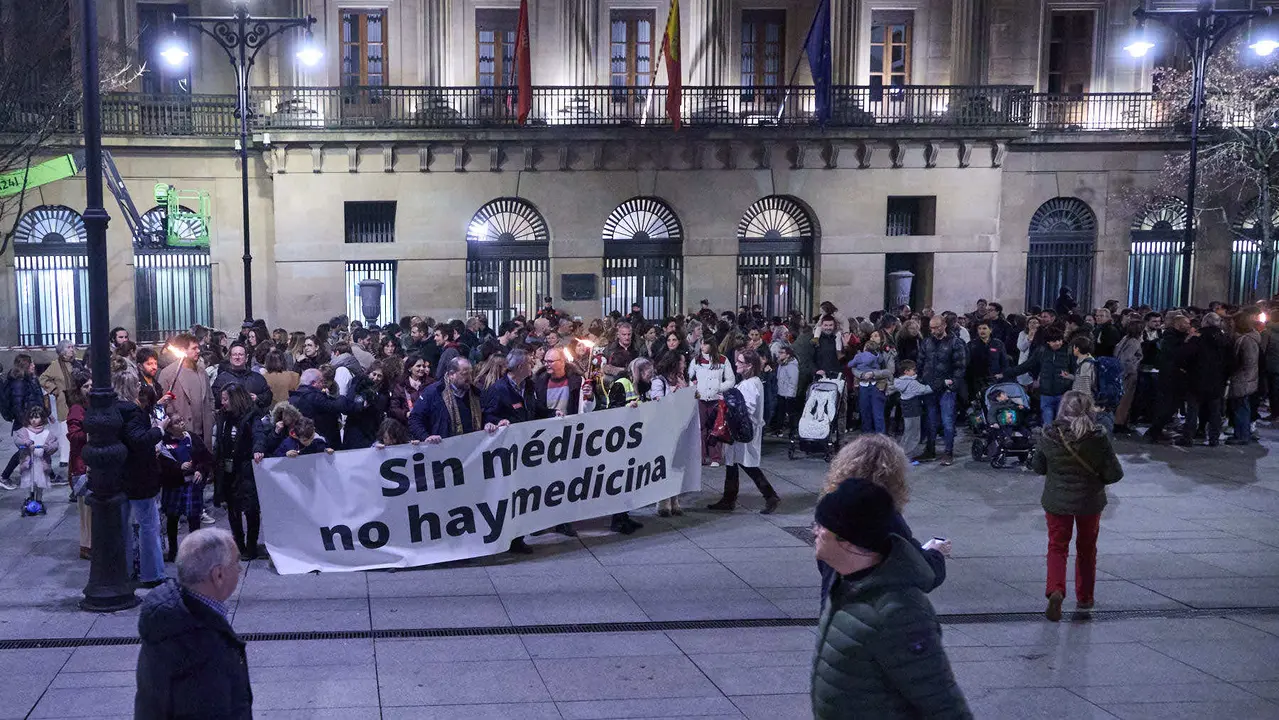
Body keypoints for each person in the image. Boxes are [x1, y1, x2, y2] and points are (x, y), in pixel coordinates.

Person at [810, 480, 972, 719]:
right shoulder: (844, 582)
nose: (814, 531)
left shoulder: (899, 614)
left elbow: (942, 701)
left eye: (821, 526)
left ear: (848, 541)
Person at [135, 528, 252, 720]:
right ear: (218, 575)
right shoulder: (203, 643)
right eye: (236, 562)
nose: (239, 569)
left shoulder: (169, 618)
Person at [817, 434, 949, 603]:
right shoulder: (884, 518)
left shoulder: (831, 512)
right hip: (877, 617)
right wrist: (935, 553)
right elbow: (925, 574)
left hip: (836, 615)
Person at [1031, 391, 1123, 621]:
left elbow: (1038, 467)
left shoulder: (1049, 436)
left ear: (1063, 410)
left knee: (1057, 546)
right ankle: (1085, 597)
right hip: (1089, 503)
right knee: (1087, 549)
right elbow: (1115, 474)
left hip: (1057, 501)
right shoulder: (1098, 438)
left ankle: (1056, 590)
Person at [707, 349, 780, 514]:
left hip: (743, 430)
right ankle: (729, 499)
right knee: (733, 463)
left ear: (749, 366)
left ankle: (770, 496)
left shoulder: (749, 384)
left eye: (740, 362)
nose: (737, 364)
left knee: (747, 464)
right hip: (742, 429)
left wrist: (726, 403)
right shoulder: (752, 382)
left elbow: (746, 408)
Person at [116, 364, 168, 588]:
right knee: (148, 525)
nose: (140, 387)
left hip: (120, 475)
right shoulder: (132, 412)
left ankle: (124, 570)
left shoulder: (112, 411)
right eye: (136, 384)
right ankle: (152, 573)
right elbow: (139, 441)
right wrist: (160, 430)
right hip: (138, 476)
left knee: (122, 526)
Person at [605, 357, 655, 534]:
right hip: (622, 441)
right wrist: (628, 407)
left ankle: (625, 515)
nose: (651, 377)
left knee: (629, 480)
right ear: (639, 373)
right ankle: (617, 520)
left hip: (635, 439)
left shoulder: (642, 387)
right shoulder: (621, 384)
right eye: (648, 374)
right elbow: (612, 410)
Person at [157, 415, 212, 563]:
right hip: (173, 485)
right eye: (177, 422)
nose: (182, 423)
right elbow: (162, 465)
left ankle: (196, 551)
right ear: (169, 428)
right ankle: (173, 551)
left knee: (194, 518)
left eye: (182, 420)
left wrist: (200, 470)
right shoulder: (164, 443)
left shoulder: (192, 438)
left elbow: (206, 458)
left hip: (191, 484)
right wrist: (178, 468)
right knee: (172, 518)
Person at [409, 357, 500, 442]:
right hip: (443, 449)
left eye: (471, 373)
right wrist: (426, 437)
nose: (469, 378)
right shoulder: (434, 392)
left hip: (472, 446)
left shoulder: (476, 393)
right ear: (451, 375)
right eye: (464, 374)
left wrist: (490, 422)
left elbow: (487, 413)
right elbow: (415, 419)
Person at [917, 316, 967, 465]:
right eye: (931, 328)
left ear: (944, 325)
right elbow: (920, 362)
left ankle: (948, 452)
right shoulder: (926, 342)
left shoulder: (955, 343)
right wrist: (920, 381)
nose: (933, 331)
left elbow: (960, 366)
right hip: (929, 387)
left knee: (947, 421)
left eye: (936, 327)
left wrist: (952, 385)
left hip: (947, 388)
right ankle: (930, 450)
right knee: (930, 420)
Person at [1003, 326, 1072, 426]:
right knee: (1047, 422)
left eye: (1059, 340)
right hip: (1046, 393)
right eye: (1054, 341)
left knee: (1062, 423)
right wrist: (1007, 373)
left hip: (1063, 393)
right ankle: (1048, 439)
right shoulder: (1041, 351)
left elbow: (1074, 370)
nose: (1058, 343)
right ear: (1048, 341)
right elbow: (1026, 365)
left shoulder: (1068, 351)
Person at [157, 333, 216, 451]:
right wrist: (173, 417)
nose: (198, 351)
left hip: (203, 434)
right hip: (181, 434)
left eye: (198, 347)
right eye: (194, 348)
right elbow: (162, 402)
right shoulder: (168, 374)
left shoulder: (202, 372)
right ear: (183, 350)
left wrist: (211, 415)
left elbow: (210, 398)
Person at [1182, 312, 1231, 447]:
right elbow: (1231, 360)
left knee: (1192, 410)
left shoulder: (1197, 337)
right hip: (1217, 381)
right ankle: (1214, 439)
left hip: (1196, 379)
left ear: (1205, 322)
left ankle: (1188, 438)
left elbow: (1186, 355)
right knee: (1215, 411)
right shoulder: (1225, 338)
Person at [0, 354, 45, 489]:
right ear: (25, 365)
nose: (34, 365)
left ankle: (5, 476)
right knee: (27, 449)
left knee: (35, 448)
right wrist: (27, 423)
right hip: (24, 422)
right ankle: (4, 476)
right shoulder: (19, 382)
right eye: (31, 363)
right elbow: (17, 405)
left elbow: (36, 398)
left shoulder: (30, 379)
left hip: (32, 419)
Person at [288, 368, 362, 452]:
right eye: (321, 381)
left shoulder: (293, 398)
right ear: (314, 383)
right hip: (323, 445)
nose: (324, 385)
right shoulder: (315, 397)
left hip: (302, 444)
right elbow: (337, 406)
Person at [689, 340, 735, 467]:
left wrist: (719, 387)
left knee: (716, 428)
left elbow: (731, 380)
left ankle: (716, 457)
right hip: (701, 399)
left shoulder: (722, 360)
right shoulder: (696, 360)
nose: (702, 346)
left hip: (716, 399)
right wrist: (695, 388)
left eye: (705, 344)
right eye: (702, 344)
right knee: (701, 428)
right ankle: (701, 457)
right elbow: (689, 377)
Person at [39, 339, 82, 468]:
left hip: (78, 399)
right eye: (69, 347)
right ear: (62, 351)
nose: (72, 349)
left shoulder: (77, 363)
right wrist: (54, 389)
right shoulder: (55, 365)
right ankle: (65, 458)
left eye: (72, 347)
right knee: (65, 429)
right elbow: (42, 378)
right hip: (63, 401)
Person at [14, 405, 57, 513]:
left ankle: (39, 500)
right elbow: (17, 439)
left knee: (40, 482)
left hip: (41, 462)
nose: (33, 420)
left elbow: (54, 444)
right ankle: (29, 498)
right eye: (31, 417)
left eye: (36, 417)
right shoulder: (24, 431)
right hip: (29, 462)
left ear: (42, 418)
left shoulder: (46, 433)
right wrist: (26, 443)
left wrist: (49, 448)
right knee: (29, 481)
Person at [1228, 311, 1262, 445]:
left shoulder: (1247, 340)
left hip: (1243, 378)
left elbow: (1248, 361)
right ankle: (1241, 434)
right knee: (1241, 406)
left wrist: (1234, 368)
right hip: (1247, 377)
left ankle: (1242, 435)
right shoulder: (1249, 338)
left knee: (1241, 407)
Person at [212, 343, 271, 412]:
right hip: (229, 418)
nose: (237, 357)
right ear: (230, 358)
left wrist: (258, 398)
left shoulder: (258, 378)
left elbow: (268, 397)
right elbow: (213, 399)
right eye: (234, 355)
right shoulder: (221, 379)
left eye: (240, 354)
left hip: (252, 419)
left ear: (246, 358)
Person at [893, 360, 933, 457]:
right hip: (914, 410)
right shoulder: (912, 383)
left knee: (907, 432)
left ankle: (900, 451)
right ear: (906, 372)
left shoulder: (899, 382)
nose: (915, 371)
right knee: (914, 434)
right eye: (913, 370)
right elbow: (925, 390)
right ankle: (909, 454)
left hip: (906, 411)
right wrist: (938, 384)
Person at [1112, 320, 1144, 435]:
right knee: (1125, 400)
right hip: (1128, 375)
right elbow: (1127, 359)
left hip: (1120, 372)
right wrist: (1132, 369)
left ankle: (1119, 422)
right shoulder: (1134, 342)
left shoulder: (1124, 339)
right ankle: (1119, 423)